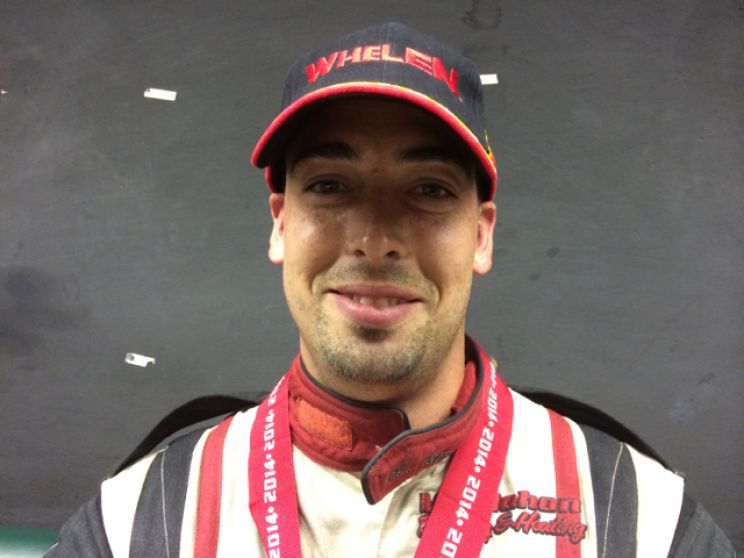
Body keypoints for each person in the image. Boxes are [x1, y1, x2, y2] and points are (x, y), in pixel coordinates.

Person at [46, 22, 734, 557]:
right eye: (330, 186)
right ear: (280, 222)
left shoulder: (642, 519)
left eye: (428, 190)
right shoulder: (136, 520)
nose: (375, 239)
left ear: (482, 236)